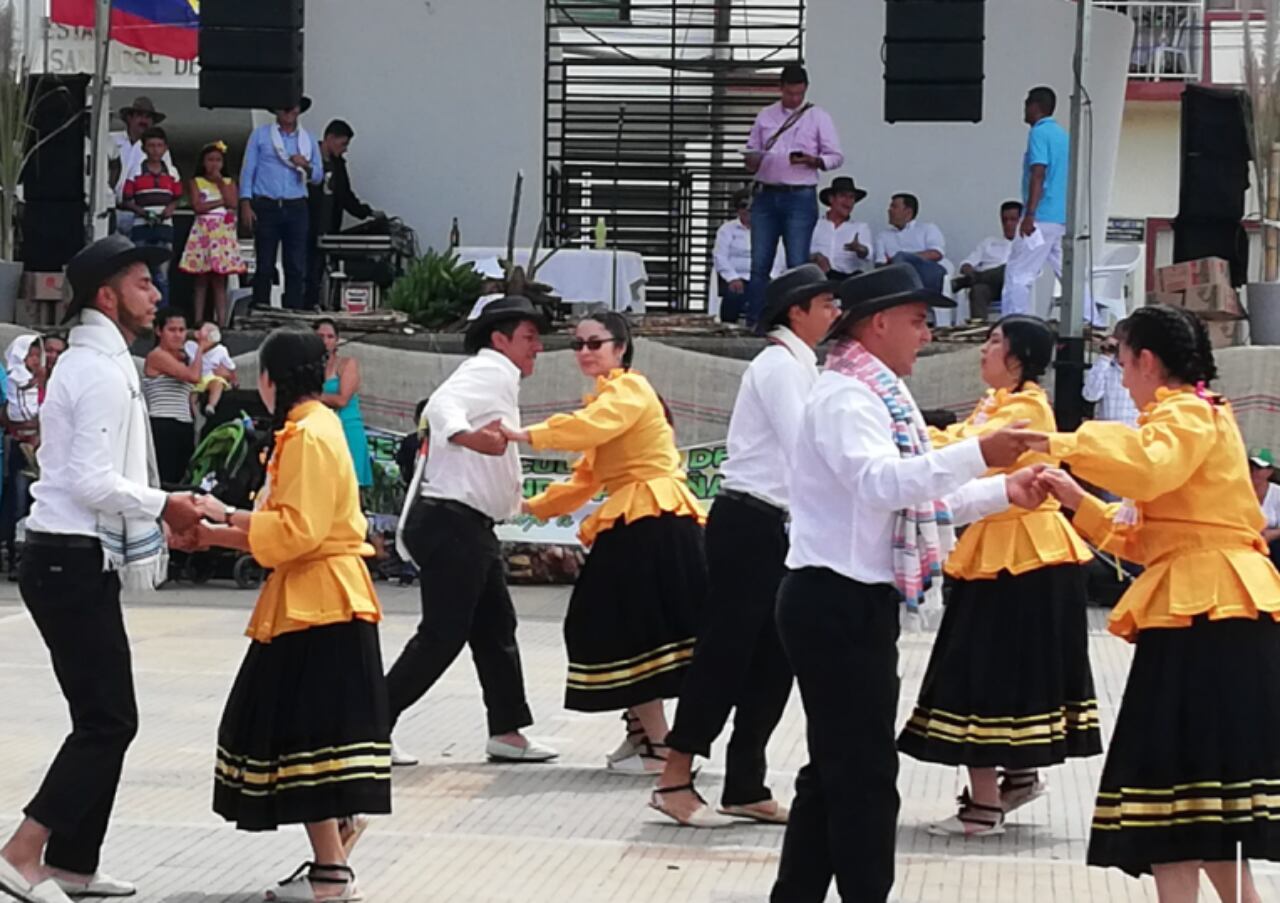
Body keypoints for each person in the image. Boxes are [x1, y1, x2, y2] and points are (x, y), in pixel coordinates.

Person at [769, 263, 1046, 903]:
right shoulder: (847, 396)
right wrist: (981, 455)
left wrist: (1005, 489)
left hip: (851, 600)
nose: (927, 334)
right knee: (864, 773)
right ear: (880, 323)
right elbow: (882, 484)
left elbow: (917, 501)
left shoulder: (874, 394)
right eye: (919, 321)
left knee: (835, 768)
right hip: (830, 598)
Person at [1022, 304, 1280, 903]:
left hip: (1209, 613)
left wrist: (1060, 444)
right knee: (1198, 791)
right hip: (1209, 607)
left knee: (1173, 784)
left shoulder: (1186, 415)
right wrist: (1073, 495)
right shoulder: (1189, 417)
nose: (1120, 372)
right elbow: (1140, 534)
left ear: (1146, 360)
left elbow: (1145, 471)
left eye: (1120, 356)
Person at [0, 235, 203, 903]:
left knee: (104, 714)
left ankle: (74, 864)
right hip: (66, 558)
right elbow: (89, 480)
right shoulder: (94, 370)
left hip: (78, 557)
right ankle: (22, 851)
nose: (156, 294)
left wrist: (161, 511)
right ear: (107, 296)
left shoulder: (106, 363)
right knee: (108, 719)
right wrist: (165, 504)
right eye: (144, 283)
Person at [183, 329, 389, 902]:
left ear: (269, 381)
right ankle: (334, 851)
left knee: (300, 738)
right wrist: (218, 533)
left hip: (317, 602)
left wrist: (221, 516)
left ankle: (331, 872)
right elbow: (292, 526)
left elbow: (297, 533)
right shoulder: (313, 428)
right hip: (318, 595)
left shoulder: (306, 435)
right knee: (308, 736)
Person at [897, 314, 1101, 837]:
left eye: (994, 343)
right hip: (998, 547)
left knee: (983, 671)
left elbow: (974, 455)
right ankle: (1015, 779)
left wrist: (909, 443)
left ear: (1019, 359)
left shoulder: (1027, 409)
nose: (983, 351)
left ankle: (985, 803)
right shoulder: (998, 404)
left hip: (1024, 552)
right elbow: (963, 438)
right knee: (1001, 668)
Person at [651, 265, 839, 827]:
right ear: (796, 311)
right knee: (726, 650)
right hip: (752, 522)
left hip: (781, 524)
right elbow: (808, 443)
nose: (834, 312)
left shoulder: (805, 366)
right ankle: (674, 777)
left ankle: (745, 782)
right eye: (825, 303)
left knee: (775, 657)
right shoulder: (780, 367)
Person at [502, 312, 707, 774]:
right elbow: (585, 478)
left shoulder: (628, 390)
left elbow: (588, 429)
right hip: (639, 520)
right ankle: (643, 736)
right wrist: (522, 507)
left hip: (655, 519)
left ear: (621, 347)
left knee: (629, 629)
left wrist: (524, 434)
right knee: (618, 626)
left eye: (596, 343)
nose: (585, 352)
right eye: (577, 344)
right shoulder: (607, 400)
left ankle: (657, 745)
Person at [384, 296, 557, 766]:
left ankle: (507, 730)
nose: (537, 347)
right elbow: (441, 408)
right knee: (443, 634)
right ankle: (370, 725)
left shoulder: (498, 375)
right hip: (451, 523)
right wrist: (469, 437)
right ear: (499, 339)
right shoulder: (491, 369)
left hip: (467, 526)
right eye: (529, 337)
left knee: (495, 627)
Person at [742, 64, 844, 327]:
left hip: (800, 194)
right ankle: (757, 320)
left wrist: (815, 160)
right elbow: (751, 151)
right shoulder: (765, 116)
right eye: (789, 94)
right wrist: (753, 159)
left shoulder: (818, 116)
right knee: (759, 262)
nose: (794, 99)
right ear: (781, 89)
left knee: (797, 262)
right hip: (767, 192)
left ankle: (798, 322)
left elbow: (835, 156)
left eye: (799, 94)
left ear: (805, 90)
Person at [240, 97, 324, 311]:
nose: (288, 110)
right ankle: (261, 307)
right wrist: (246, 202)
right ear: (276, 109)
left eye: (292, 106)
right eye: (285, 105)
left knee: (296, 264)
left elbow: (318, 177)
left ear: (298, 110)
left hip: (296, 205)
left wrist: (305, 165)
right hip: (266, 204)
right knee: (265, 263)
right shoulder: (261, 135)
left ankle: (293, 310)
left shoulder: (308, 139)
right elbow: (248, 170)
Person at [1002, 86, 1070, 317]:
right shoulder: (1063, 135)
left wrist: (1029, 214)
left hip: (1041, 216)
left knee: (1018, 273)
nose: (1024, 109)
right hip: (1060, 218)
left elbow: (1038, 172)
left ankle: (1012, 322)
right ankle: (1091, 317)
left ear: (1035, 107)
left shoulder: (1039, 133)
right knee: (1068, 274)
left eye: (1026, 104)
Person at [306, 119, 384, 310]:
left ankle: (319, 302)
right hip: (307, 224)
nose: (345, 149)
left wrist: (367, 212)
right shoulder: (308, 157)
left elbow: (345, 195)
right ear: (330, 139)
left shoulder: (338, 165)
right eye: (343, 144)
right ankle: (304, 304)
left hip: (329, 226)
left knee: (321, 267)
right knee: (304, 267)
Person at [179, 140, 247, 327]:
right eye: (210, 159)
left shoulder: (228, 182)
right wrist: (219, 202)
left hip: (222, 232)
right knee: (201, 278)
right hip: (204, 231)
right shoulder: (196, 182)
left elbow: (233, 202)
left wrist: (220, 186)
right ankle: (198, 319)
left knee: (219, 280)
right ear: (203, 162)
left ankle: (222, 321)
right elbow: (198, 206)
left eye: (218, 160)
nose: (214, 164)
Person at [144, 309, 209, 486]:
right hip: (163, 423)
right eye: (172, 330)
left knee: (182, 479)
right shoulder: (157, 355)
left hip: (184, 424)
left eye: (181, 330)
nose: (178, 335)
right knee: (165, 479)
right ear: (159, 331)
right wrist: (201, 347)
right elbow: (193, 376)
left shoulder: (184, 358)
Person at [121, 127, 182, 304]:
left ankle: (162, 313)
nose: (155, 150)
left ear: (165, 148)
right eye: (151, 145)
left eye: (159, 145)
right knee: (141, 272)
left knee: (162, 275)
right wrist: (142, 212)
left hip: (164, 227)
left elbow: (177, 198)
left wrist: (170, 208)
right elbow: (127, 200)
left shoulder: (172, 172)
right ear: (144, 148)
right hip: (141, 226)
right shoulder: (136, 171)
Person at [314, 319, 373, 489]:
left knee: (351, 486)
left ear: (337, 340)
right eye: (320, 336)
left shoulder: (346, 364)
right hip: (320, 431)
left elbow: (342, 399)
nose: (325, 341)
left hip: (346, 428)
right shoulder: (310, 366)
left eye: (330, 336)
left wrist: (311, 396)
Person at [109, 97, 177, 237]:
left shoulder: (158, 149)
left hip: (141, 214)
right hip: (110, 209)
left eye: (148, 117)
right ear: (129, 118)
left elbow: (167, 182)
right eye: (139, 115)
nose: (144, 121)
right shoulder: (111, 140)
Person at [951, 200, 1022, 322]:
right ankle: (978, 330)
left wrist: (975, 277)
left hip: (1015, 285)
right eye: (1004, 220)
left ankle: (972, 280)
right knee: (978, 290)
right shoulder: (989, 243)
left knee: (1009, 267)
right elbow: (966, 265)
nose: (1008, 224)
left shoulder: (1027, 244)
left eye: (1013, 220)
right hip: (992, 288)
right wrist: (968, 269)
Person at [874, 193, 949, 294]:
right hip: (895, 277)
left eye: (894, 207)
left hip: (927, 274)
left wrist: (905, 259)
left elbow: (936, 253)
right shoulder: (883, 236)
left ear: (908, 212)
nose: (889, 210)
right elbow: (880, 264)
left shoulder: (927, 229)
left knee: (900, 257)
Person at [809, 176, 872, 281]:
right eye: (843, 196)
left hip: (848, 280)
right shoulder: (814, 225)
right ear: (831, 199)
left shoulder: (860, 227)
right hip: (819, 278)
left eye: (852, 197)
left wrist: (859, 249)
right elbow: (800, 253)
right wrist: (814, 257)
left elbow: (868, 254)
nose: (848, 201)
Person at [712, 190, 754, 324]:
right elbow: (720, 256)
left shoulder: (770, 229)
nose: (748, 210)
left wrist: (770, 277)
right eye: (743, 205)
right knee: (733, 296)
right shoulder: (727, 229)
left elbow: (778, 256)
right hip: (735, 277)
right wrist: (732, 278)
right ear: (737, 209)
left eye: (752, 206)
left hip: (762, 277)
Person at [1083, 333, 1141, 428]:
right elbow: (1090, 395)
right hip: (1107, 434)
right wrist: (1106, 355)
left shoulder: (1143, 370)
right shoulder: (1105, 366)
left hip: (1134, 434)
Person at [183, 322, 238, 417]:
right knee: (192, 394)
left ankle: (211, 405)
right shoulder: (190, 346)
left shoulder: (221, 351)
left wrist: (234, 379)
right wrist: (200, 346)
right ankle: (193, 411)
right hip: (195, 377)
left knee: (217, 384)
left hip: (211, 376)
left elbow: (231, 367)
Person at [1249, 449, 1280, 568]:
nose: (1254, 472)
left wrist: (1272, 534)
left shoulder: (1277, 493)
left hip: (1269, 541)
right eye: (1252, 467)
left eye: (1259, 468)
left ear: (1269, 472)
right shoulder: (1239, 490)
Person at [396, 397, 430, 489]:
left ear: (416, 419)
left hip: (412, 490)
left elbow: (402, 468)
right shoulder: (445, 444)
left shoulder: (409, 441)